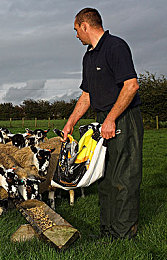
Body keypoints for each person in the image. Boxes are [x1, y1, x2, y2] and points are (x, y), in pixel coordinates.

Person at [62, 7, 143, 239]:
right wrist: (70, 123)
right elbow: (87, 95)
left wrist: (111, 119)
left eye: (76, 30)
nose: (76, 35)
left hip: (124, 119)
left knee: (124, 177)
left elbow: (131, 86)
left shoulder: (115, 47)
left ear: (85, 25)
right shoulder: (89, 56)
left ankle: (123, 234)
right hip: (102, 122)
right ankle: (107, 231)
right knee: (104, 178)